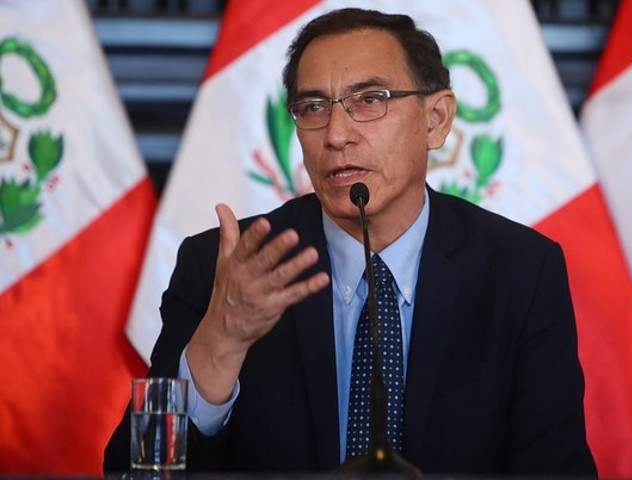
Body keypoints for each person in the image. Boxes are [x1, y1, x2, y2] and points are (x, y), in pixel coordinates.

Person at [104, 8, 596, 475]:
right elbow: (134, 470)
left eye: (370, 100)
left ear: (436, 119)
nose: (337, 134)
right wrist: (220, 345)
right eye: (313, 107)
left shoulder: (519, 271)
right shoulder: (224, 267)